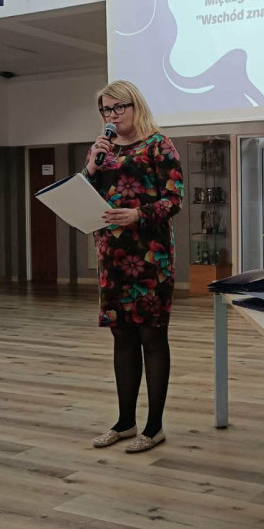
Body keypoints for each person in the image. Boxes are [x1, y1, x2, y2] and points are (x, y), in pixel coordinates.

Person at [84, 80, 184, 452]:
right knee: (122, 338)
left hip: (149, 257)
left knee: (151, 338)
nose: (111, 116)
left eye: (118, 108)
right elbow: (84, 194)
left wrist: (137, 214)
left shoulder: (159, 145)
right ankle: (125, 422)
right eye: (105, 110)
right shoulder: (101, 150)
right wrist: (90, 167)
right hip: (111, 257)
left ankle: (154, 426)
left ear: (135, 106)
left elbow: (174, 200)